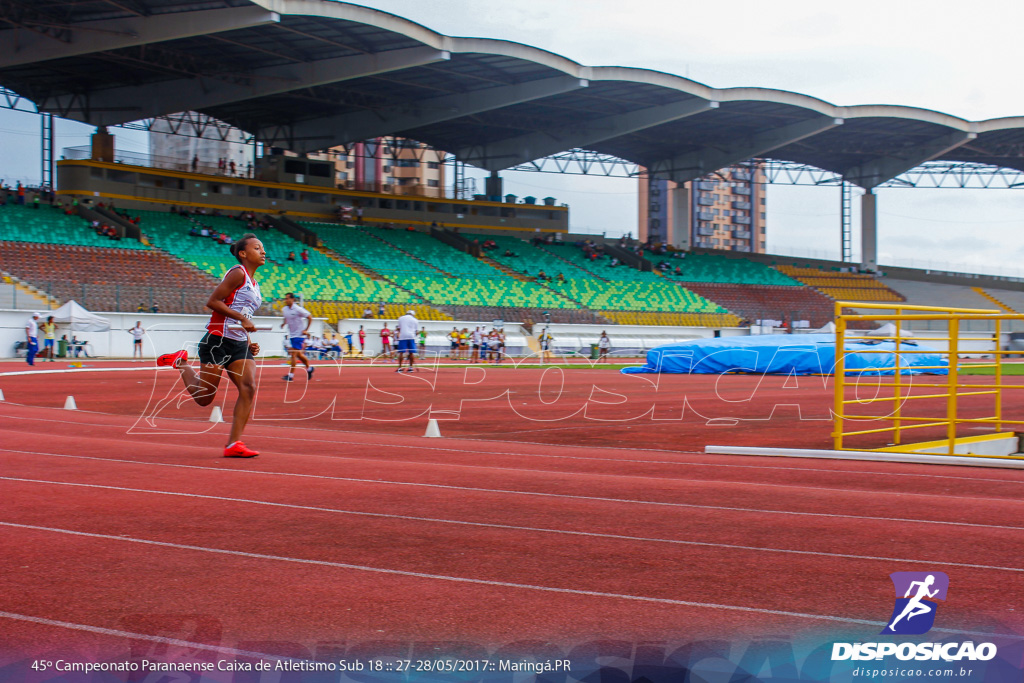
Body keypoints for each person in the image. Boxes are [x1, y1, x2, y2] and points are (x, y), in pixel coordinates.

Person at [156, 233, 265, 458]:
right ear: (243, 254)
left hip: (239, 344)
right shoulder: (237, 273)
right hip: (217, 341)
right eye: (257, 248)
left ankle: (234, 443)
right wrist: (242, 319)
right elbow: (213, 302)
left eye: (262, 248)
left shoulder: (256, 286)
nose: (263, 251)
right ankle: (181, 362)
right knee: (204, 398)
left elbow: (242, 317)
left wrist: (249, 341)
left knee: (249, 387)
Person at [279, 292, 313, 382]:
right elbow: (286, 317)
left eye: (288, 298)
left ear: (292, 299)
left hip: (299, 335)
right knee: (299, 355)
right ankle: (310, 369)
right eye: (285, 298)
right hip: (292, 334)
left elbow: (310, 317)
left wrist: (306, 330)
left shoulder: (298, 309)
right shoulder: (285, 309)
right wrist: (284, 323)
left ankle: (290, 376)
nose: (286, 300)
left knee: (293, 354)